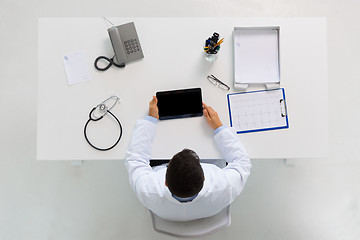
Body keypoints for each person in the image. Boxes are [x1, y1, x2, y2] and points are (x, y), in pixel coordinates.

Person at [125, 96, 251, 221]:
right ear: (204, 178)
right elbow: (242, 162)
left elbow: (136, 159)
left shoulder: (146, 189)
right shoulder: (225, 186)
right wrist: (219, 127)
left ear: (165, 182)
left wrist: (150, 120)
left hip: (167, 214)